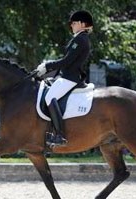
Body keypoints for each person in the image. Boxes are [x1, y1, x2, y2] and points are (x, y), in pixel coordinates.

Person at [36, 10, 93, 147]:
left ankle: (59, 134)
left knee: (49, 97)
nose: (71, 26)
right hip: (67, 76)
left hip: (70, 77)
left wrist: (47, 65)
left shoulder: (80, 39)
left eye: (74, 23)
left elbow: (67, 61)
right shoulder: (79, 38)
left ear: (81, 23)